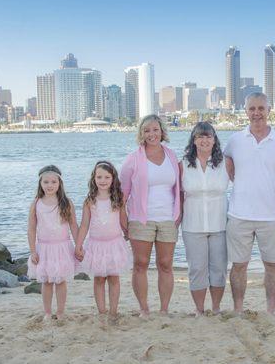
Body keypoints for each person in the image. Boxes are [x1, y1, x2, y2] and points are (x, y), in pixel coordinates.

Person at [224, 92, 275, 315]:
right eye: (252, 108)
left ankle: (271, 310)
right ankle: (238, 309)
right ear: (245, 111)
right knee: (238, 265)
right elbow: (229, 167)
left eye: (261, 108)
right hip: (239, 214)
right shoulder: (234, 140)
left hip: (271, 215)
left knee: (272, 265)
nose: (256, 113)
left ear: (269, 110)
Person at [120, 115, 182, 317]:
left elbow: (179, 189)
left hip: (167, 219)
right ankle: (144, 309)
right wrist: (123, 220)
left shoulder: (172, 156)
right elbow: (122, 195)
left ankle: (164, 309)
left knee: (165, 264)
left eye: (155, 130)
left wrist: (178, 215)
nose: (151, 134)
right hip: (140, 219)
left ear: (162, 131)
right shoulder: (133, 159)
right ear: (141, 134)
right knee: (141, 264)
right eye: (147, 130)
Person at [179, 122, 229, 315]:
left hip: (220, 223)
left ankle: (216, 308)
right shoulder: (183, 164)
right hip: (192, 224)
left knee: (219, 269)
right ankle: (200, 310)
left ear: (214, 140)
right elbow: (176, 194)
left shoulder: (225, 162)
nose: (204, 140)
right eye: (200, 136)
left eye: (208, 136)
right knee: (197, 269)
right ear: (194, 140)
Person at [75, 161, 131, 317]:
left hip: (114, 244)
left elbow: (123, 219)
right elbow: (84, 225)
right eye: (99, 177)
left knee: (114, 277)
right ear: (94, 178)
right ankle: (102, 311)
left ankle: (113, 312)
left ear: (113, 178)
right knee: (99, 279)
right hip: (96, 246)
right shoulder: (90, 200)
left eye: (107, 177)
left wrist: (129, 233)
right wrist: (78, 245)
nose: (103, 180)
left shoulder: (118, 198)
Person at [27, 165, 79, 320]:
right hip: (44, 248)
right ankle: (48, 313)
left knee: (61, 280)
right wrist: (32, 251)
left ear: (59, 183)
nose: (49, 185)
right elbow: (31, 229)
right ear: (40, 184)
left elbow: (74, 226)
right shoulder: (36, 203)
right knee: (47, 281)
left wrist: (79, 246)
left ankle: (61, 312)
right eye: (46, 182)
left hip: (62, 247)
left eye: (53, 182)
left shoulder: (66, 202)